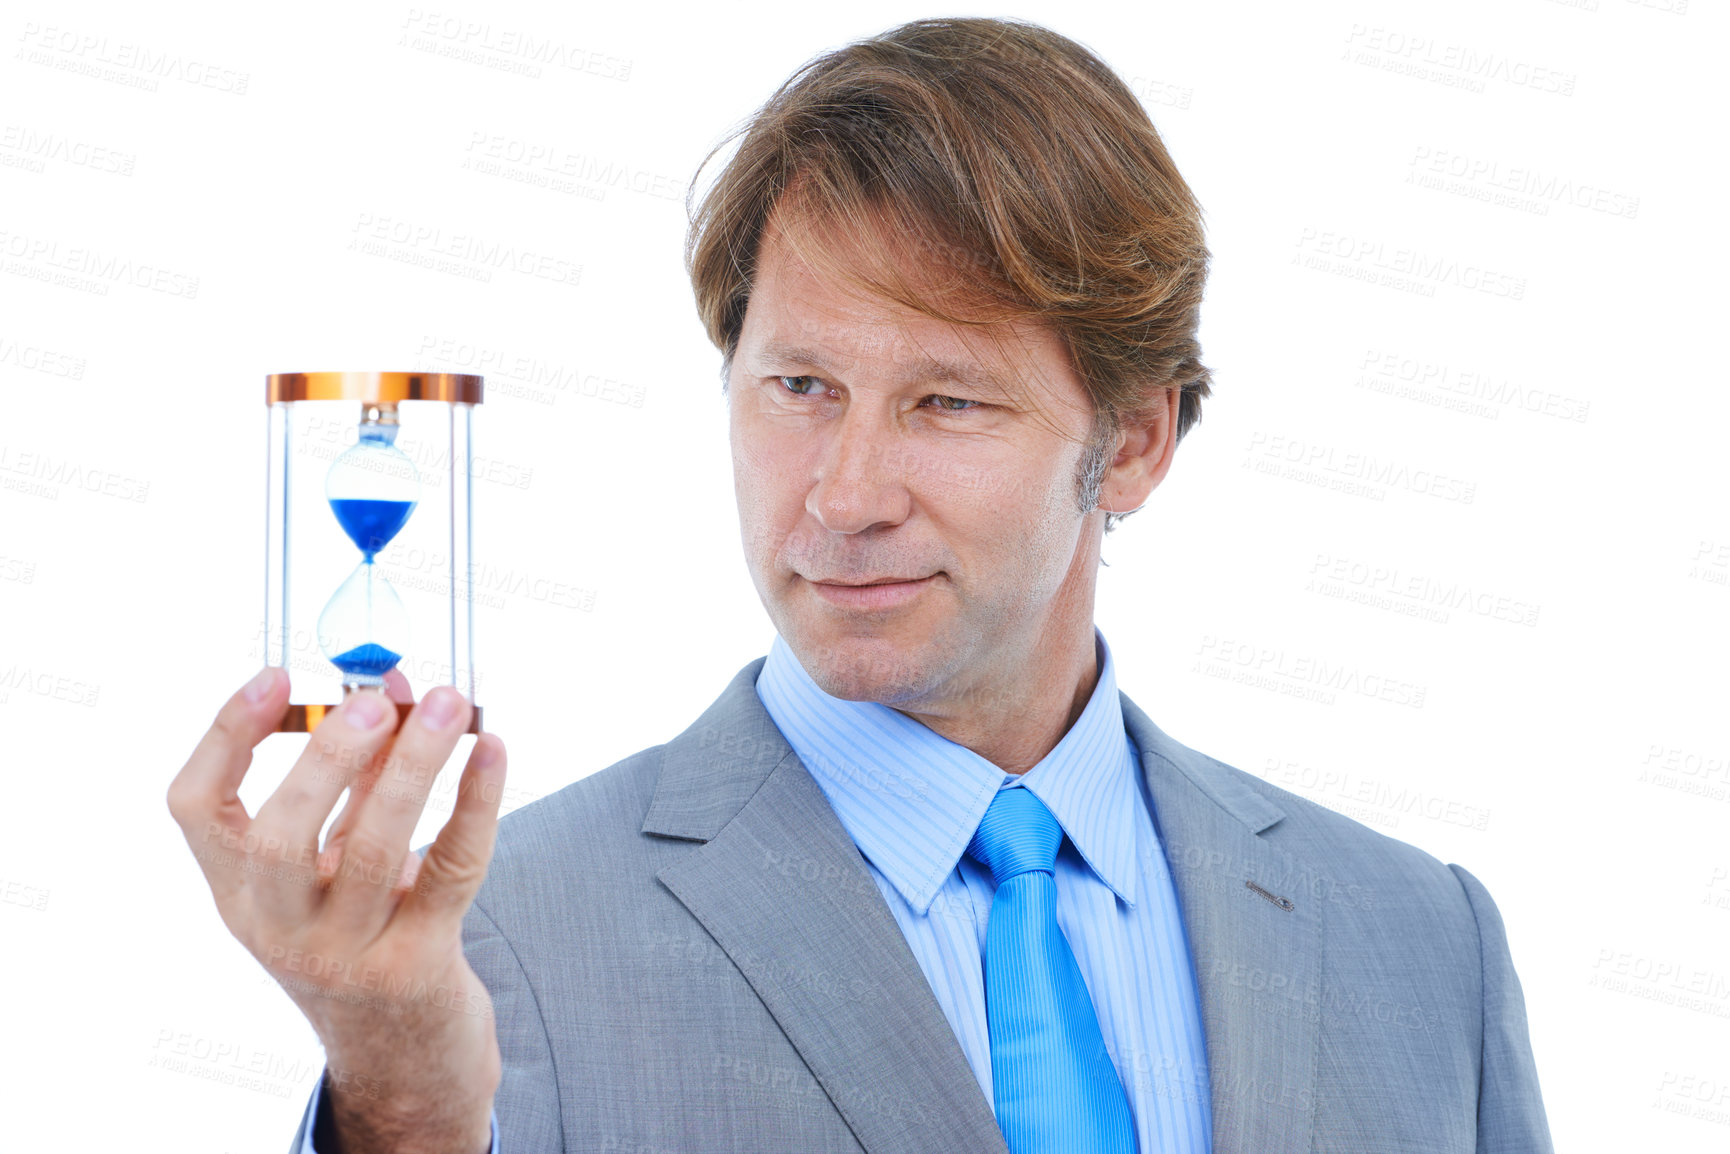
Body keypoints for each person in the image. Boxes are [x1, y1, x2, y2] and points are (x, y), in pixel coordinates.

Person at [167, 17, 1554, 1154]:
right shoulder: (492, 945)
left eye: (946, 403)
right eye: (799, 387)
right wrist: (402, 1097)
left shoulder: (1420, 943)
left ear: (1131, 441)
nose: (841, 494)